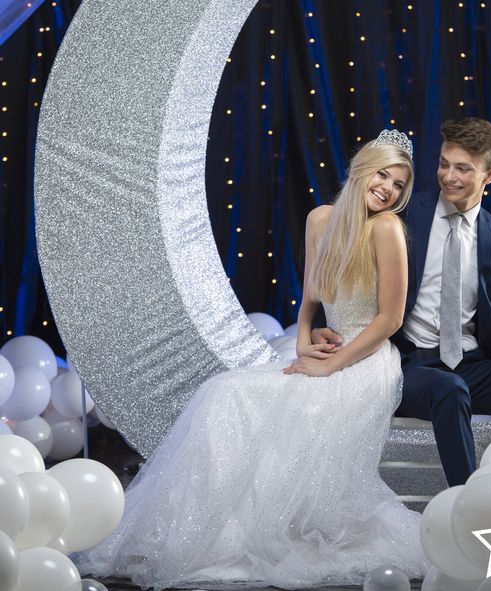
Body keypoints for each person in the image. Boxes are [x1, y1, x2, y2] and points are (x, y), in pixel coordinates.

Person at [76, 131, 429, 590]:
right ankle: (205, 531)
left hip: (366, 361)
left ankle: (260, 530)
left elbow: (389, 318)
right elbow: (311, 298)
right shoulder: (321, 219)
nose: (389, 189)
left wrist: (330, 365)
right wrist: (305, 342)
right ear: (362, 167)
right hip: (332, 348)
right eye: (384, 174)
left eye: (400, 184)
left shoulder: (386, 228)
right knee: (223, 391)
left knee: (262, 401)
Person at [314, 118, 491, 488]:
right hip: (407, 366)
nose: (448, 176)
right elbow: (346, 267)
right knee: (449, 390)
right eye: (444, 163)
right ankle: (469, 504)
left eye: (462, 168)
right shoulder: (399, 214)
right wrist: (326, 323)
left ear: (489, 176)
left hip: (477, 367)